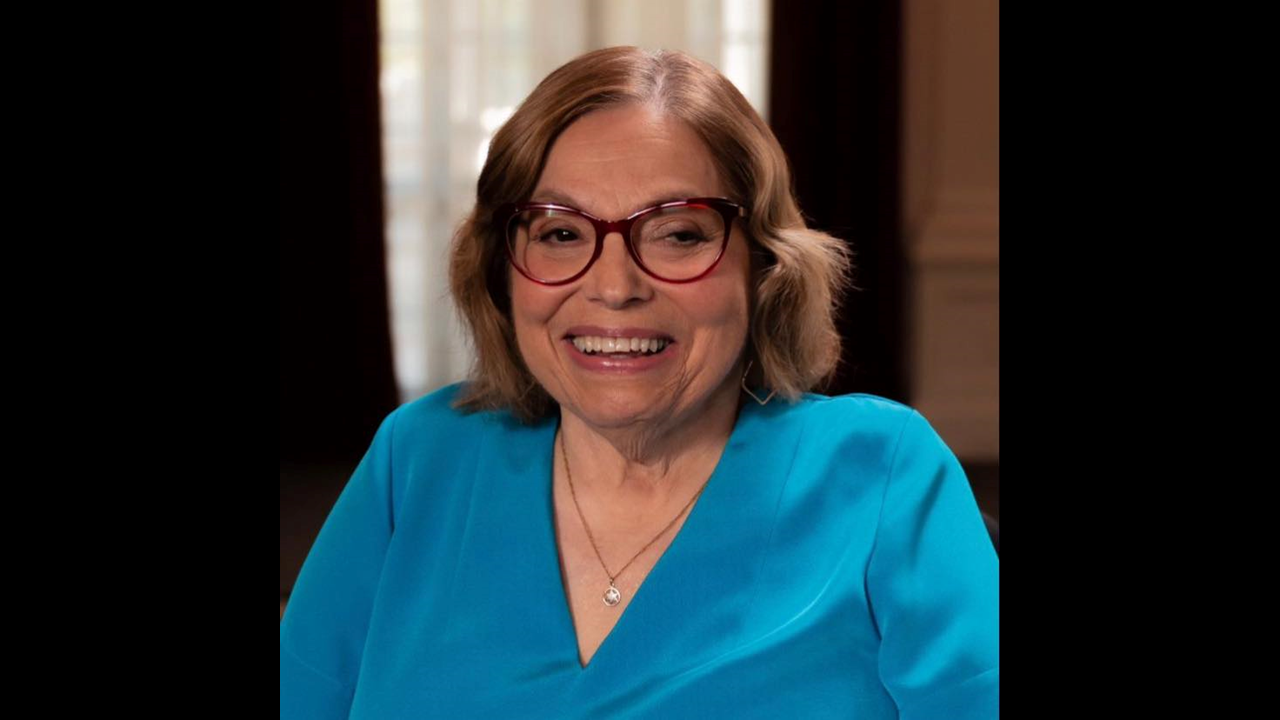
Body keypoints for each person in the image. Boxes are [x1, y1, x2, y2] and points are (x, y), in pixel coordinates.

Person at [280, 46, 998, 719]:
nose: (615, 287)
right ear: (500, 270)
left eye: (679, 233)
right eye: (560, 233)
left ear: (763, 266)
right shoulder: (420, 457)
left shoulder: (881, 474)